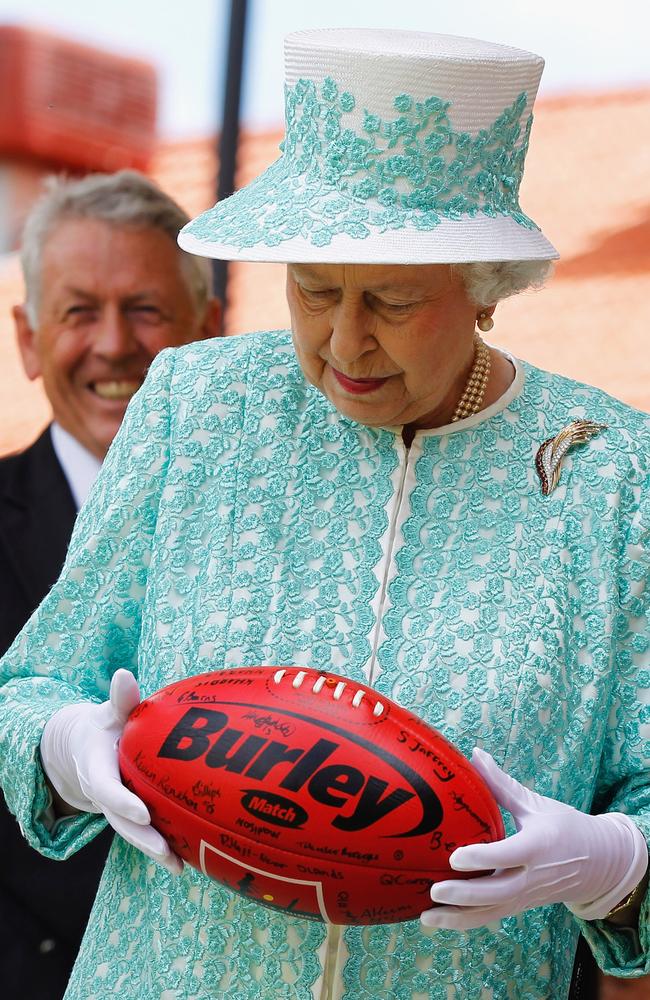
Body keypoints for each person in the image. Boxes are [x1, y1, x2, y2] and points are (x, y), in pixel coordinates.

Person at [0, 29, 648, 1000]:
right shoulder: (194, 402)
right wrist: (69, 743)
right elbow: (35, 682)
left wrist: (614, 863)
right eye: (311, 290)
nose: (344, 340)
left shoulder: (610, 471)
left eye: (389, 299)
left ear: (485, 290)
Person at [0, 169, 221, 1000]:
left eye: (147, 309)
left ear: (210, 331)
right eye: (78, 310)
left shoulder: (280, 535)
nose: (114, 343)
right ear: (27, 338)